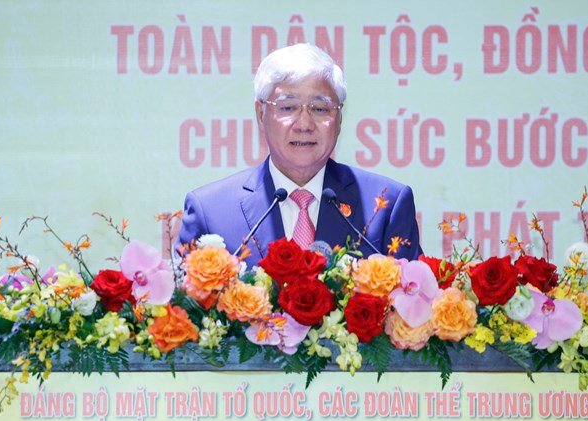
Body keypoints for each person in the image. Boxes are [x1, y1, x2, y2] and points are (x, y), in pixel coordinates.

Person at [177, 43, 422, 268]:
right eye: (288, 107)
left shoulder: (386, 206)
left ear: (339, 119)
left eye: (320, 108)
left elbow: (413, 299)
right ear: (261, 114)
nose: (304, 124)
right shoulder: (210, 212)